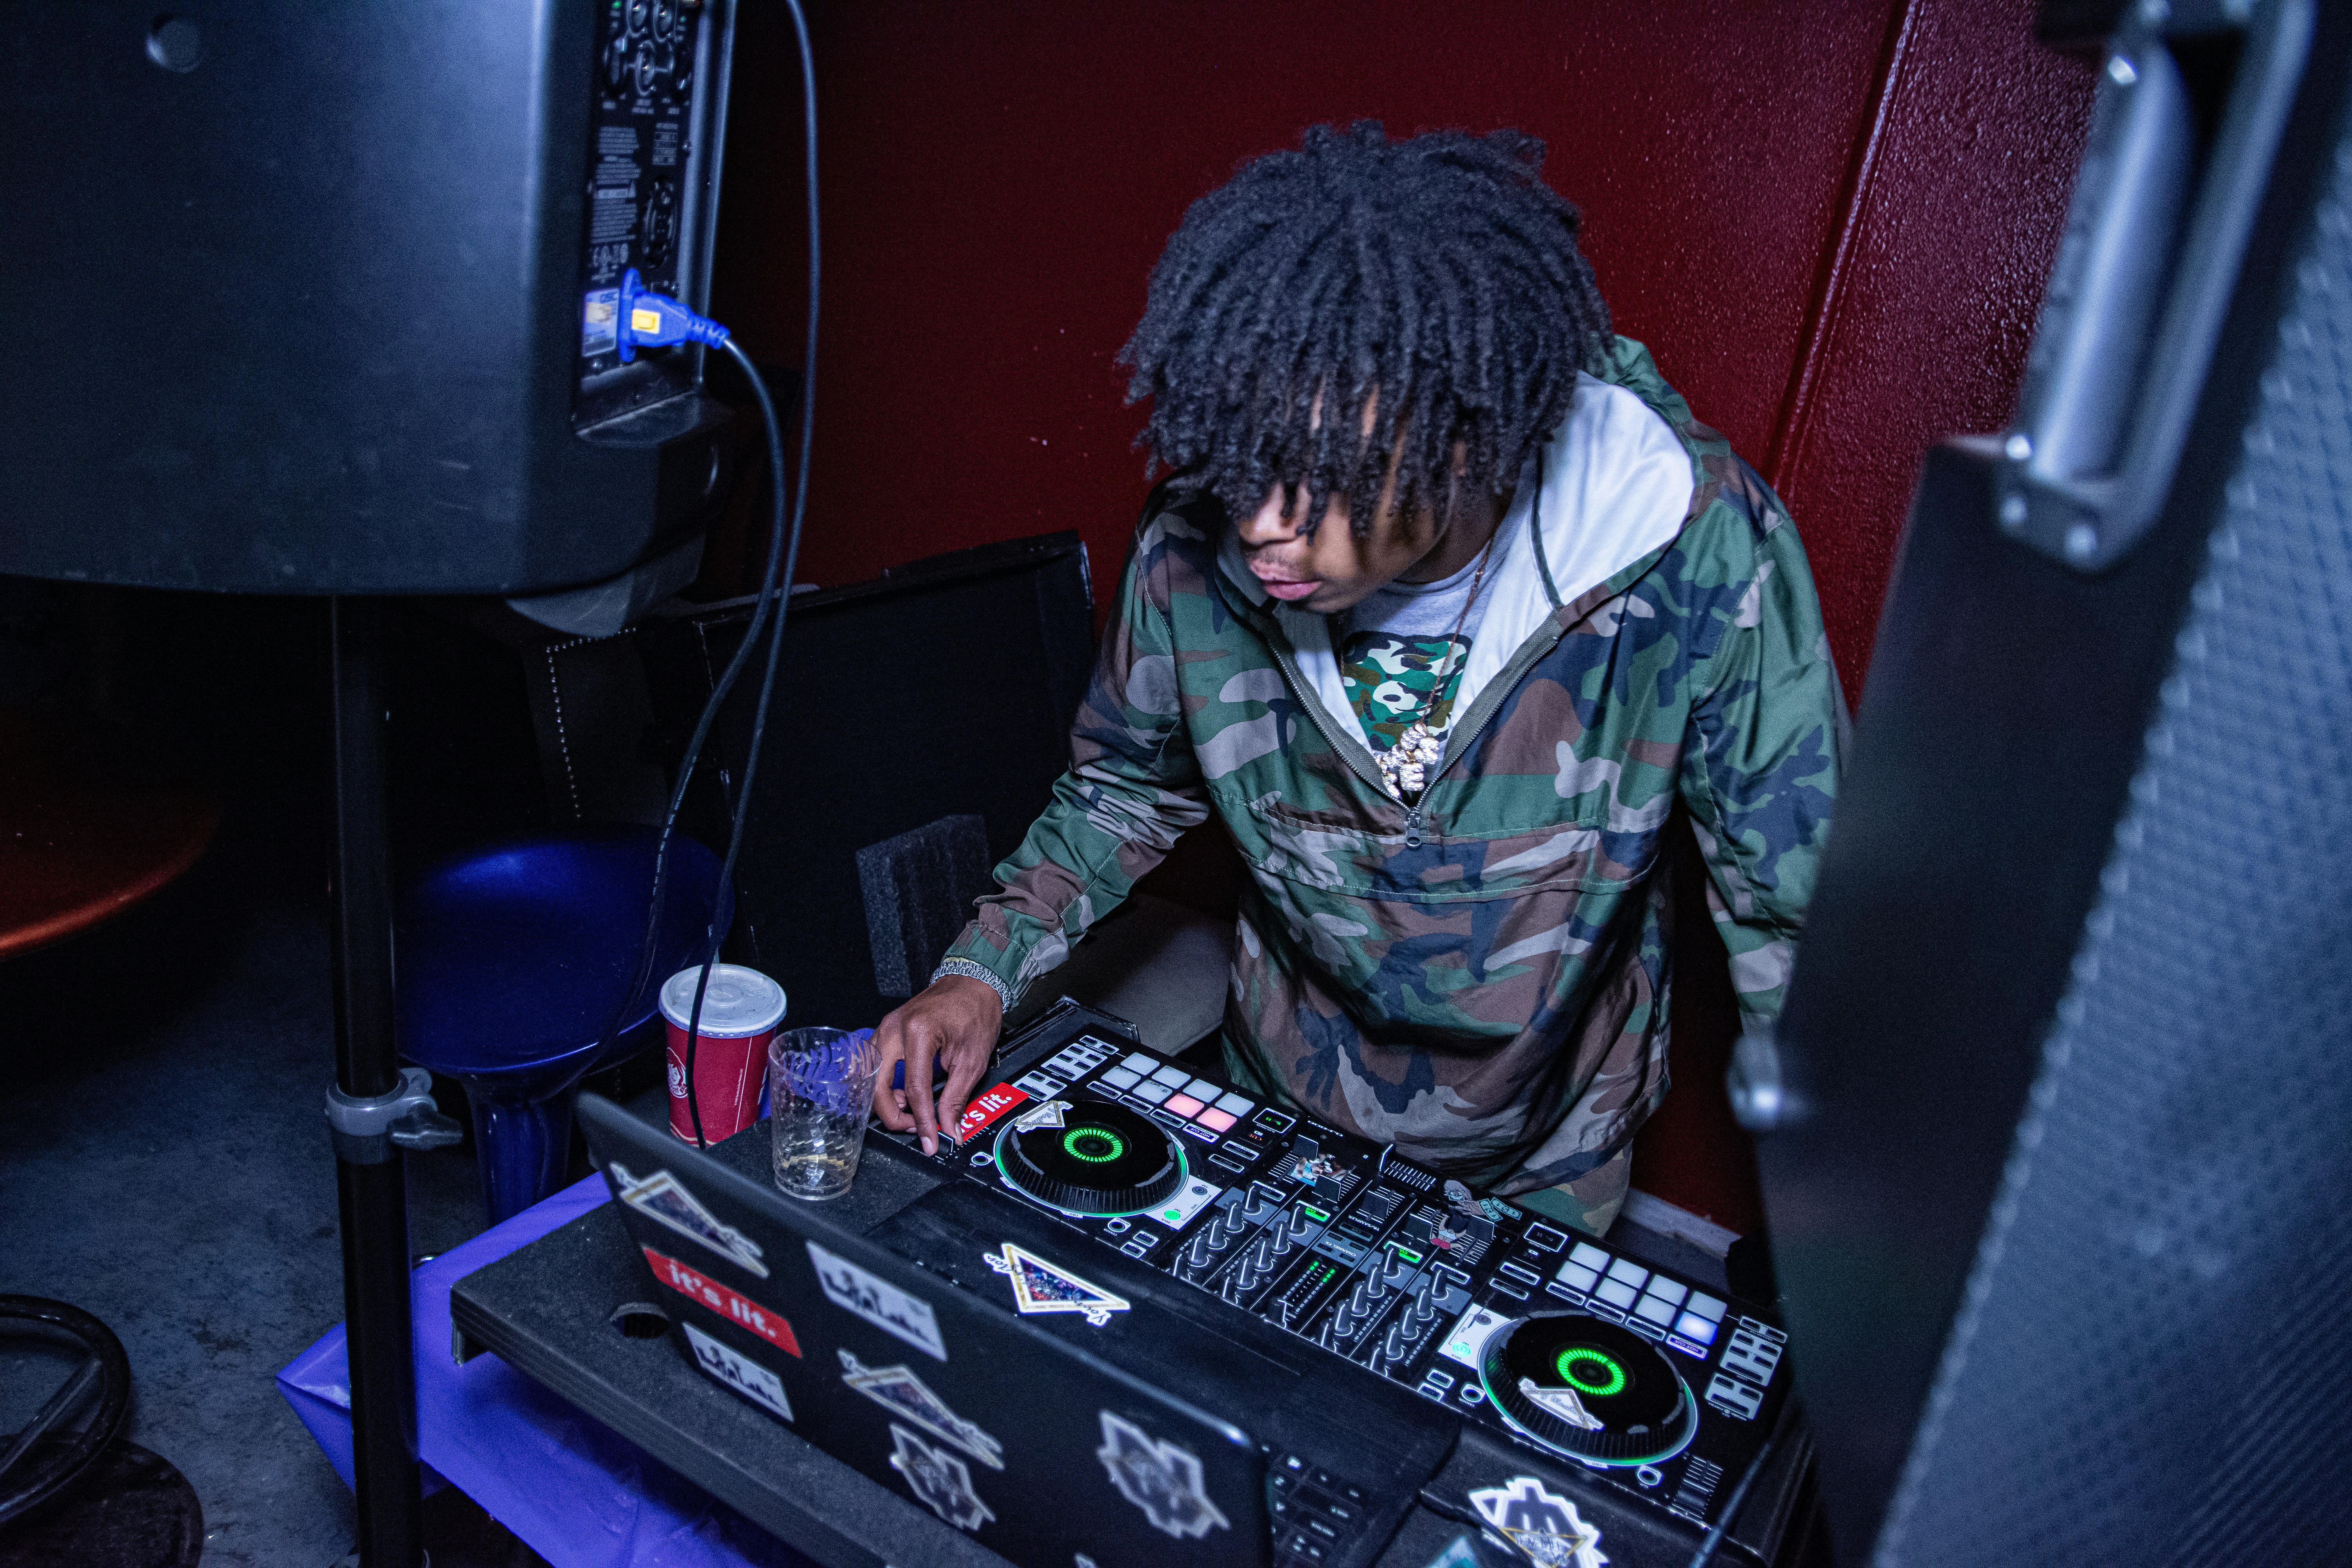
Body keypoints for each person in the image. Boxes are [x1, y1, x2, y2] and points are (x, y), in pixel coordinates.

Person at [873, 122, 1843, 1235]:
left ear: (1469, 445)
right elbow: (1121, 792)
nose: (1261, 527)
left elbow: (1792, 914)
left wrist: (1853, 1254)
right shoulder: (1204, 541)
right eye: (1241, 466)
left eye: (1320, 481)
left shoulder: (1693, 544)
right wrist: (979, 976)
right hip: (1282, 1105)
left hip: (1551, 1154)